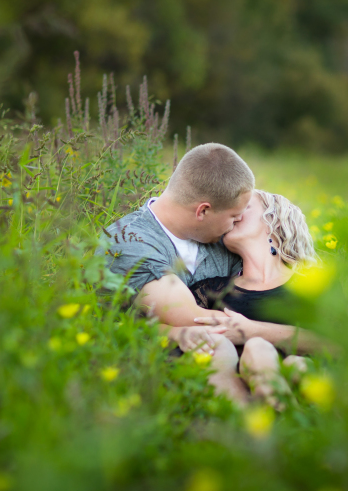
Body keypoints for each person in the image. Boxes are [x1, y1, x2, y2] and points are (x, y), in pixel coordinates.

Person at [103, 143, 322, 404]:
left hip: (256, 359)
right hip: (161, 366)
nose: (237, 221)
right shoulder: (129, 239)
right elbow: (192, 319)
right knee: (223, 350)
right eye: (234, 215)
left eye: (243, 214)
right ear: (203, 211)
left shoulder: (221, 238)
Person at [189, 189, 327, 405]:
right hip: (241, 392)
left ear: (274, 220)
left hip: (312, 382)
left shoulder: (312, 284)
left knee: (296, 364)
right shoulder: (210, 290)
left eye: (244, 206)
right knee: (257, 350)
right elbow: (163, 324)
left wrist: (251, 332)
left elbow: (342, 342)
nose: (233, 213)